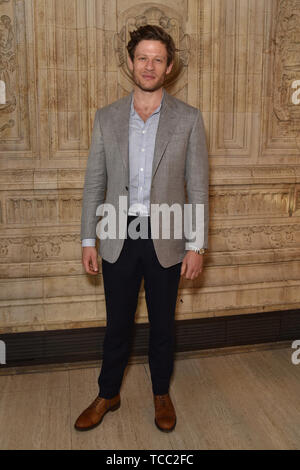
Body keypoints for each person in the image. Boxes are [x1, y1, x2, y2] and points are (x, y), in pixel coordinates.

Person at [75, 24, 209, 433]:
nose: (149, 66)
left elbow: (199, 187)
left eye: (158, 59)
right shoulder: (107, 117)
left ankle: (160, 393)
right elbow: (95, 181)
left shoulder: (188, 119)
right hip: (118, 234)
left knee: (163, 324)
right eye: (142, 57)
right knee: (117, 322)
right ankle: (107, 392)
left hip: (166, 236)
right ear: (131, 62)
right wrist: (87, 238)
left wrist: (196, 246)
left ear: (169, 68)